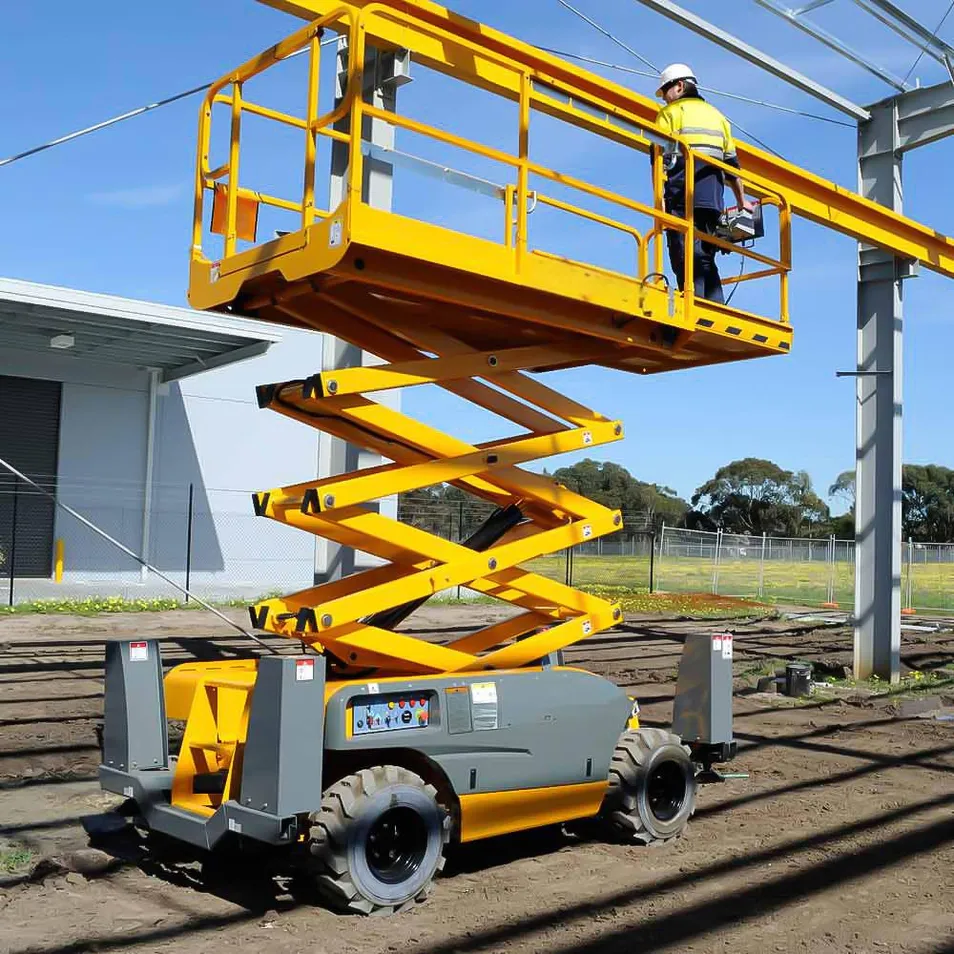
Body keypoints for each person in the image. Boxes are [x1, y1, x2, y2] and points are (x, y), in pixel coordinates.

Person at [654, 63, 753, 304]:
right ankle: (714, 306)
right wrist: (743, 202)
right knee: (705, 256)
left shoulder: (669, 115)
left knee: (684, 256)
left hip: (682, 196)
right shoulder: (718, 117)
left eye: (665, 90)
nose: (664, 98)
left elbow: (658, 161)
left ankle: (695, 307)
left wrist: (659, 204)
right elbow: (732, 166)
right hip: (712, 201)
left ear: (679, 86)